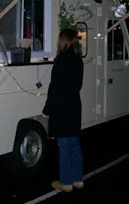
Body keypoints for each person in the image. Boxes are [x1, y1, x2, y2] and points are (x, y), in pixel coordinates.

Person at [42, 28, 84, 192]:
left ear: (63, 41)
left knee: (64, 147)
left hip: (61, 108)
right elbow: (76, 86)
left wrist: (47, 109)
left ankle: (66, 182)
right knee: (74, 145)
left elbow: (55, 89)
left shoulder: (60, 61)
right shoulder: (78, 61)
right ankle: (78, 179)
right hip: (74, 106)